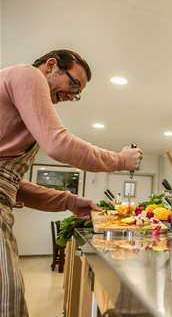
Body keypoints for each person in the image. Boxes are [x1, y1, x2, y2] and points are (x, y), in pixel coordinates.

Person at [0, 49, 143, 317]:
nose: (71, 96)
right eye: (73, 84)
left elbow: (11, 186)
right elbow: (58, 143)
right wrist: (121, 160)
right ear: (51, 65)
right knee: (6, 302)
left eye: (77, 93)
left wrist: (69, 201)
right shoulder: (28, 75)